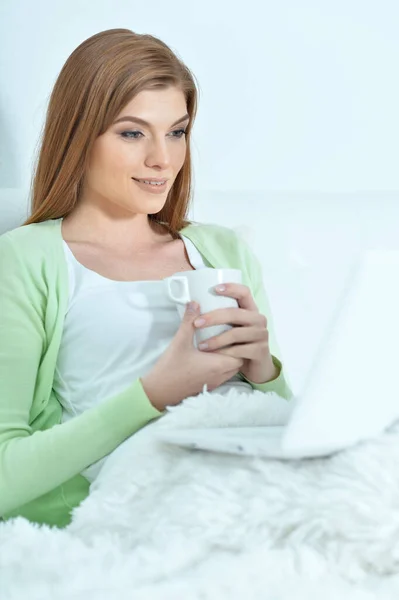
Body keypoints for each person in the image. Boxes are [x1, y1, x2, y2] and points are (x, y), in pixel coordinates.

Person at [0, 28, 292, 529]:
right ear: (78, 135)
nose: (163, 158)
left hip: (264, 484)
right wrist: (153, 395)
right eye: (132, 133)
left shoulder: (223, 250)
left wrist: (265, 370)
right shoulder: (26, 260)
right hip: (155, 508)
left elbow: (285, 427)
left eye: (176, 131)